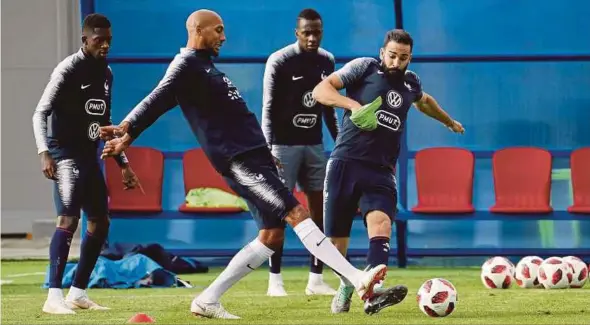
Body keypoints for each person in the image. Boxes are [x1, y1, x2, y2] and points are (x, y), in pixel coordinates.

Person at [99, 9, 390, 319]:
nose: (223, 37)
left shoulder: (205, 68)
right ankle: (358, 280)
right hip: (238, 161)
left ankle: (208, 299)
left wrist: (266, 155)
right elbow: (156, 98)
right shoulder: (185, 66)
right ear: (199, 30)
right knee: (297, 213)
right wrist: (128, 129)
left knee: (271, 236)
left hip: (256, 158)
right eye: (218, 30)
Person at [312, 29, 465, 314]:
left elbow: (425, 102)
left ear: (410, 58)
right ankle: (349, 283)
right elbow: (321, 90)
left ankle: (373, 294)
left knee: (381, 225)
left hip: (381, 169)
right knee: (335, 244)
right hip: (346, 163)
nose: (396, 62)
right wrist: (353, 105)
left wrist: (448, 121)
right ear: (383, 52)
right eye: (392, 55)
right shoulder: (363, 68)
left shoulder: (411, 82)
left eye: (403, 57)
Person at [32, 13, 140, 314]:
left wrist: (123, 164)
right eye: (98, 40)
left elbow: (105, 123)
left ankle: (77, 293)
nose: (105, 46)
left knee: (100, 221)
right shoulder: (67, 69)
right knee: (68, 219)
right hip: (64, 153)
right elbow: (40, 113)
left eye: (108, 41)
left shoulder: (106, 73)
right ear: (84, 40)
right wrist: (44, 151)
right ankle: (53, 296)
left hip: (90, 154)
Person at [261, 8, 338, 297]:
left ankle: (316, 279)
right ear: (297, 33)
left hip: (314, 146)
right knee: (280, 212)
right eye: (306, 32)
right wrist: (268, 149)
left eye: (316, 32)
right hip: (282, 147)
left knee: (319, 212)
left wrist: (339, 143)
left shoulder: (327, 60)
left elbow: (328, 107)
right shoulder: (280, 60)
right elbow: (268, 107)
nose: (312, 37)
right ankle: (275, 280)